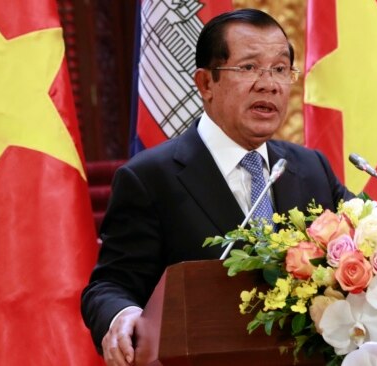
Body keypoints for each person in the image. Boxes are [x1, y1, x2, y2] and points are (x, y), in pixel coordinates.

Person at [81, 8, 354, 366]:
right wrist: (122, 317)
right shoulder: (150, 178)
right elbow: (109, 285)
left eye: (280, 69)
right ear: (206, 83)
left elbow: (363, 242)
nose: (268, 83)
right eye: (249, 67)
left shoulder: (310, 167)